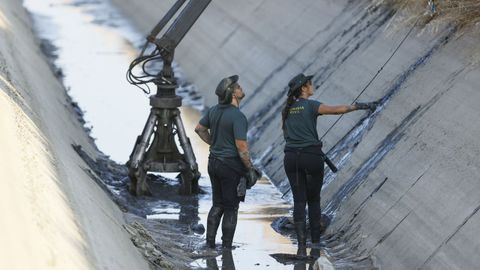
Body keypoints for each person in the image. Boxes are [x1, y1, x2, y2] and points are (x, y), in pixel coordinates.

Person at [282, 73, 377, 256]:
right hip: (311, 156)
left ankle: (301, 247)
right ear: (303, 88)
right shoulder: (310, 105)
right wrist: (360, 106)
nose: (313, 86)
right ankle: (315, 243)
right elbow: (337, 110)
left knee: (299, 201)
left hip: (291, 157)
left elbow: (287, 133)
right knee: (314, 200)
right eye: (310, 84)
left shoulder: (286, 109)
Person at [195, 75, 259, 249]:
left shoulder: (214, 110)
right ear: (232, 93)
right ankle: (226, 247)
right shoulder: (238, 116)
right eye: (238, 87)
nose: (240, 89)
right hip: (230, 166)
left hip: (213, 163)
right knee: (231, 208)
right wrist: (250, 168)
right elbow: (241, 147)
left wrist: (213, 143)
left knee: (218, 204)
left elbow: (199, 129)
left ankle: (209, 244)